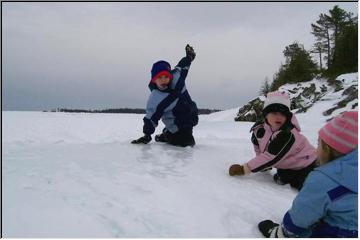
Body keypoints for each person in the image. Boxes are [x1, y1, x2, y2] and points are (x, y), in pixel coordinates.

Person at [258, 111, 358, 238]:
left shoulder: (324, 179)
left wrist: (284, 232)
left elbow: (301, 216)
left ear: (327, 149)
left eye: (318, 144)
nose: (316, 149)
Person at [228, 91, 317, 190]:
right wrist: (263, 166)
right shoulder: (259, 130)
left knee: (308, 187)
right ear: (266, 114)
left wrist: (245, 169)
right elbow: (259, 149)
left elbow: (271, 157)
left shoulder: (287, 134)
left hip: (310, 164)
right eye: (274, 113)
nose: (278, 117)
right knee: (282, 179)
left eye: (283, 114)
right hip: (288, 166)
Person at [131, 44, 198, 147]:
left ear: (170, 75)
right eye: (159, 77)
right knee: (187, 143)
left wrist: (189, 57)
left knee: (189, 128)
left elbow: (183, 65)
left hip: (188, 116)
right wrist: (147, 135)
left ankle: (168, 132)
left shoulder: (177, 77)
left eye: (166, 76)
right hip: (175, 124)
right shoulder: (156, 98)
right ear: (154, 80)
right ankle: (167, 134)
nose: (163, 80)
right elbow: (151, 117)